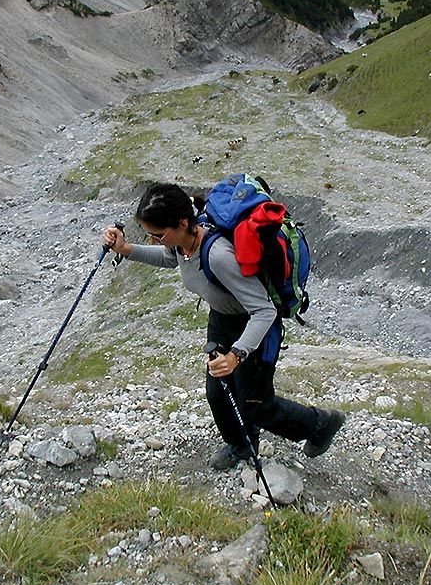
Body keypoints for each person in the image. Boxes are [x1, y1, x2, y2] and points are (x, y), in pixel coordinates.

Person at [102, 182, 345, 470]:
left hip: (255, 326)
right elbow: (171, 258)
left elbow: (264, 311)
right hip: (222, 319)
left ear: (182, 223)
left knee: (256, 405)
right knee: (217, 392)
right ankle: (241, 445)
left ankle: (322, 424)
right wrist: (126, 248)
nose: (154, 241)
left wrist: (237, 355)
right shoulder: (183, 242)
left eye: (158, 234)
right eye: (149, 235)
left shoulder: (218, 256)